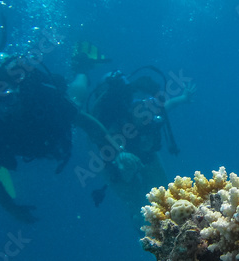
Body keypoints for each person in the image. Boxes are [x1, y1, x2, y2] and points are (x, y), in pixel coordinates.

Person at [0, 50, 141, 223]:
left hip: (55, 133)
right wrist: (11, 208)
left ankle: (81, 69)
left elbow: (86, 122)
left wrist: (116, 153)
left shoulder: (43, 95)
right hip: (31, 144)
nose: (5, 103)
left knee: (75, 99)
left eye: (8, 94)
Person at [81, 64, 193, 211]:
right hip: (119, 166)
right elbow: (100, 142)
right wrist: (119, 155)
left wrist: (183, 98)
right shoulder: (105, 119)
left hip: (145, 154)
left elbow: (163, 107)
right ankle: (145, 216)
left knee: (162, 199)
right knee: (139, 205)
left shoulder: (136, 109)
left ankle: (153, 215)